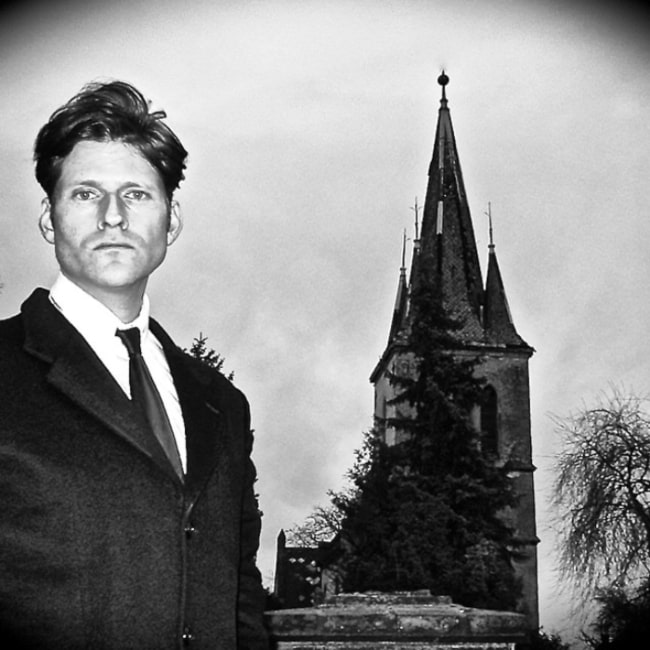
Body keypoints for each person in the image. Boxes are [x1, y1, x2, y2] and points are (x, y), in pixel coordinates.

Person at [0, 80, 269, 649]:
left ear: (170, 222)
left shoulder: (221, 403)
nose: (114, 217)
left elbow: (240, 591)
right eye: (86, 194)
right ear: (50, 219)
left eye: (137, 194)